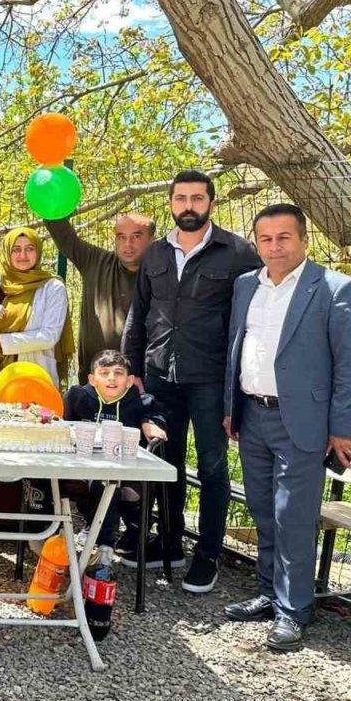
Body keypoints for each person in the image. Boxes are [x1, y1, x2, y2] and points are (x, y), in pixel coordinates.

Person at [223, 204, 351, 652]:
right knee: (263, 508)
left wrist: (343, 427)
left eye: (284, 237)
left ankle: (293, 609)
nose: (275, 247)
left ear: (304, 240)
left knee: (293, 516)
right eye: (265, 239)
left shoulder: (335, 288)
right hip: (253, 416)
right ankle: (269, 592)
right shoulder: (246, 285)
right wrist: (232, 406)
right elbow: (238, 347)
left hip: (304, 423)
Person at [121, 169, 261, 593]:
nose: (188, 206)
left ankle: (207, 556)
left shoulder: (238, 253)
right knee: (166, 465)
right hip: (161, 376)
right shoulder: (156, 254)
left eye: (197, 199)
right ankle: (170, 543)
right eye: (180, 198)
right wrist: (133, 369)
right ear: (171, 203)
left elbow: (255, 320)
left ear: (211, 203)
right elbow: (138, 313)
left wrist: (238, 386)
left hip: (210, 380)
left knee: (214, 468)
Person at [61, 350, 167, 557]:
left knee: (107, 483)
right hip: (83, 466)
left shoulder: (140, 401)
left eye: (118, 373)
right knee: (76, 482)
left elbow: (155, 414)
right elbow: (63, 426)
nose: (111, 378)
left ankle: (106, 547)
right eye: (105, 372)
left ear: (129, 381)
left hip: (125, 470)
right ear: (92, 379)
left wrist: (150, 423)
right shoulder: (77, 397)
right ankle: (86, 529)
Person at [45, 213, 156, 384]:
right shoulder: (95, 262)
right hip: (92, 382)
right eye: (121, 237)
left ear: (152, 240)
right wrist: (47, 199)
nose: (128, 244)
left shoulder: (162, 274)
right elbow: (63, 235)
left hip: (140, 384)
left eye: (137, 236)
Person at [0, 227, 74, 386]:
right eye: (16, 249)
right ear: (7, 252)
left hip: (31, 377)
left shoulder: (52, 287)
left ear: (38, 251)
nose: (23, 255)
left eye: (29, 249)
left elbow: (49, 336)